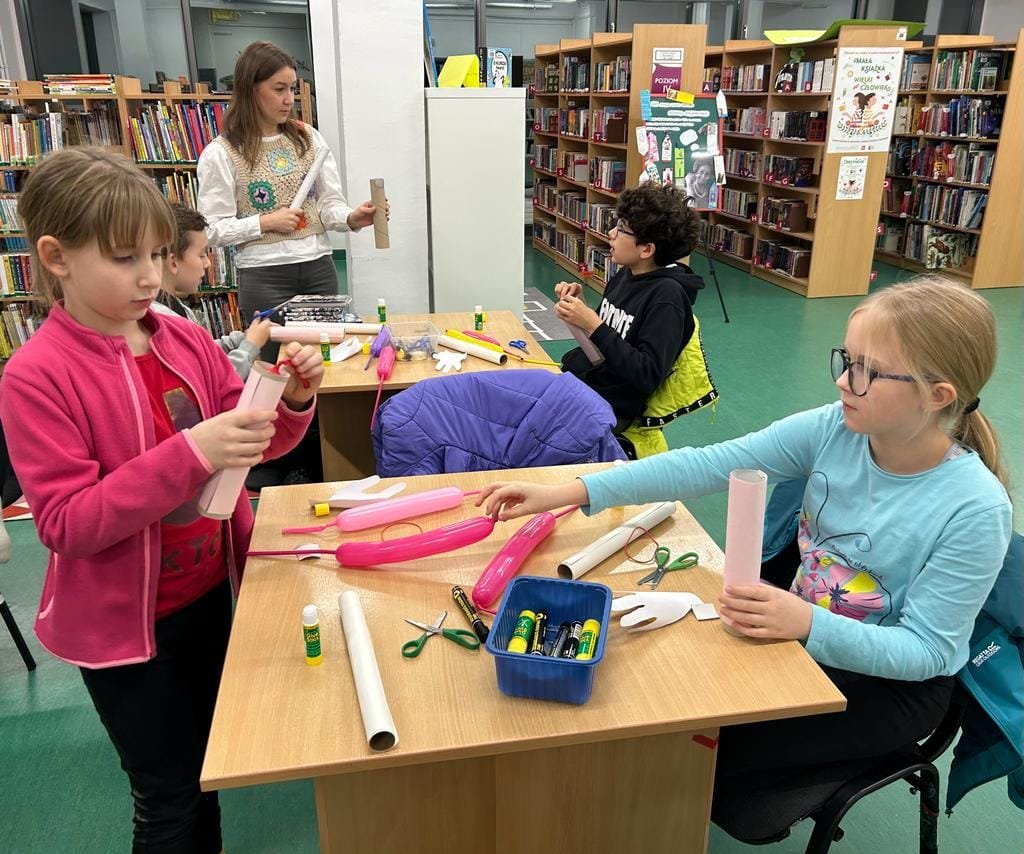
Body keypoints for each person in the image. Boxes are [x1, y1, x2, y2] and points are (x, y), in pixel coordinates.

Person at [477, 276, 1012, 818]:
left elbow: (929, 653)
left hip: (887, 682)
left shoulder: (974, 509)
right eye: (847, 360)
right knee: (661, 710)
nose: (844, 381)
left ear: (938, 395)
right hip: (799, 627)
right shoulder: (837, 428)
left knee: (690, 750)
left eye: (868, 371)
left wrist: (807, 624)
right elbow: (710, 463)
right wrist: (569, 490)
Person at [0, 147, 324, 853]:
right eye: (124, 259)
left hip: (207, 594)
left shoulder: (181, 336)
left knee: (205, 770)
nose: (150, 275)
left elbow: (248, 442)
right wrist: (193, 452)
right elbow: (67, 524)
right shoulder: (36, 375)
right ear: (55, 257)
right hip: (122, 632)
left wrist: (292, 400)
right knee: (168, 799)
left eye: (156, 254)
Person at [197, 40, 384, 363]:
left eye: (292, 89)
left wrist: (351, 218)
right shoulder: (221, 153)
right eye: (279, 89)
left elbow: (328, 205)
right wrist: (265, 222)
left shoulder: (308, 138)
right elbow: (211, 229)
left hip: (318, 269)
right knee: (272, 369)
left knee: (323, 365)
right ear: (250, 90)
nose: (289, 99)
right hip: (264, 277)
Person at [554, 182, 704, 433]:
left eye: (622, 229)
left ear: (647, 249)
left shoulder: (668, 298)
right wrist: (580, 311)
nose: (611, 232)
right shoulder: (627, 274)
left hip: (610, 406)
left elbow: (646, 375)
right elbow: (605, 344)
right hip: (587, 383)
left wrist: (592, 323)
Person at [153, 202, 271, 380]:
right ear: (173, 262)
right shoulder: (163, 322)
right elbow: (213, 380)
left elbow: (202, 353)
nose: (208, 263)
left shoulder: (177, 308)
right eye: (201, 255)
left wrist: (241, 339)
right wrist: (250, 346)